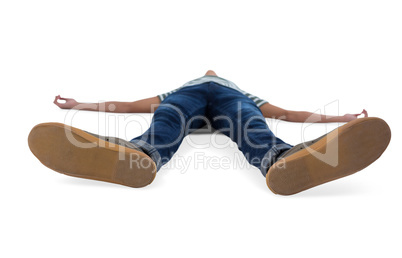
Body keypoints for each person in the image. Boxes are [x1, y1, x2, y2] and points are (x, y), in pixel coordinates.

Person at [28, 70, 391, 195]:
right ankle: (139, 155)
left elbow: (291, 114)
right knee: (167, 121)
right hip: (186, 101)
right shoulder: (179, 90)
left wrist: (341, 120)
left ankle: (283, 159)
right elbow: (125, 105)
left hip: (232, 103)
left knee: (250, 124)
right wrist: (78, 105)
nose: (211, 70)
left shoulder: (241, 92)